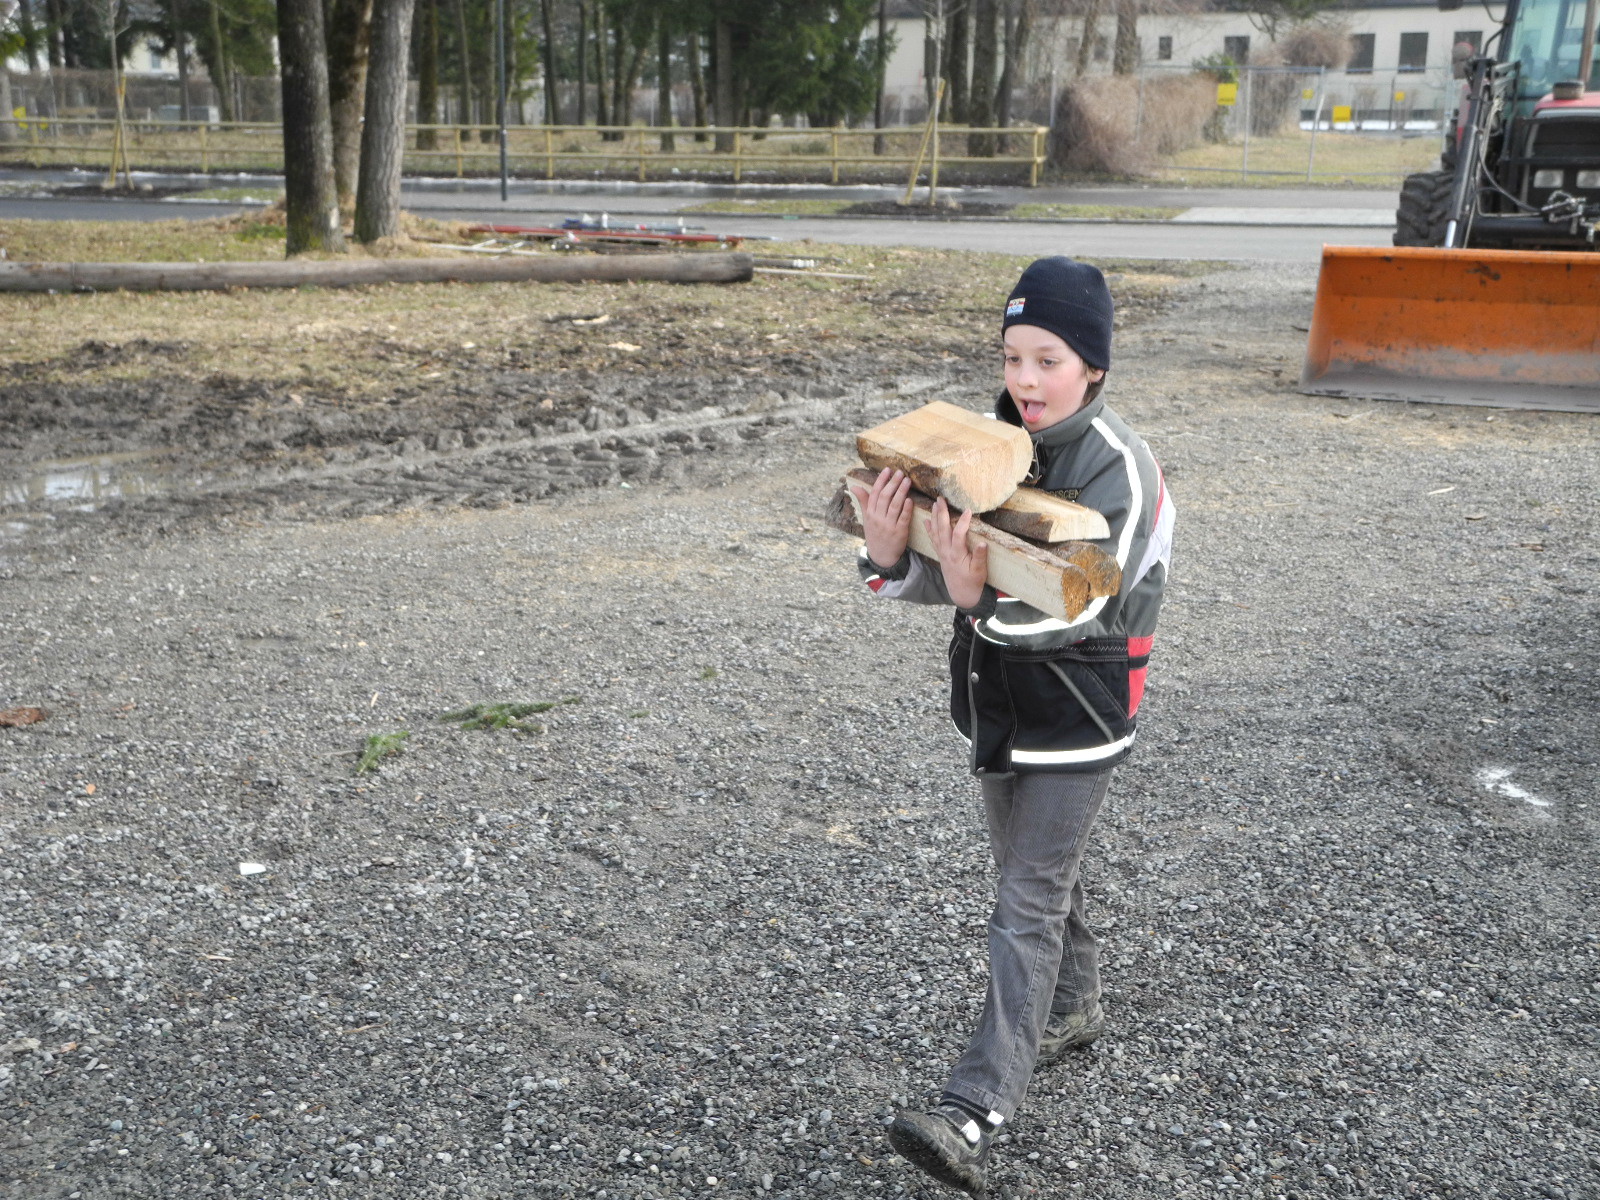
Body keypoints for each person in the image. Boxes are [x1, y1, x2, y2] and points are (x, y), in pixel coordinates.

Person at [850, 257, 1173, 1198]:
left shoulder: (1120, 467)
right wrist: (886, 556)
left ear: (1094, 366)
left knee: (1026, 901)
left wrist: (971, 598)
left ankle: (974, 1107)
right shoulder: (987, 445)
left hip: (1080, 712)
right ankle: (1072, 1005)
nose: (1025, 380)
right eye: (1011, 356)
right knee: (1035, 877)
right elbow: (942, 568)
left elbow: (1080, 610)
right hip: (995, 705)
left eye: (1048, 360)